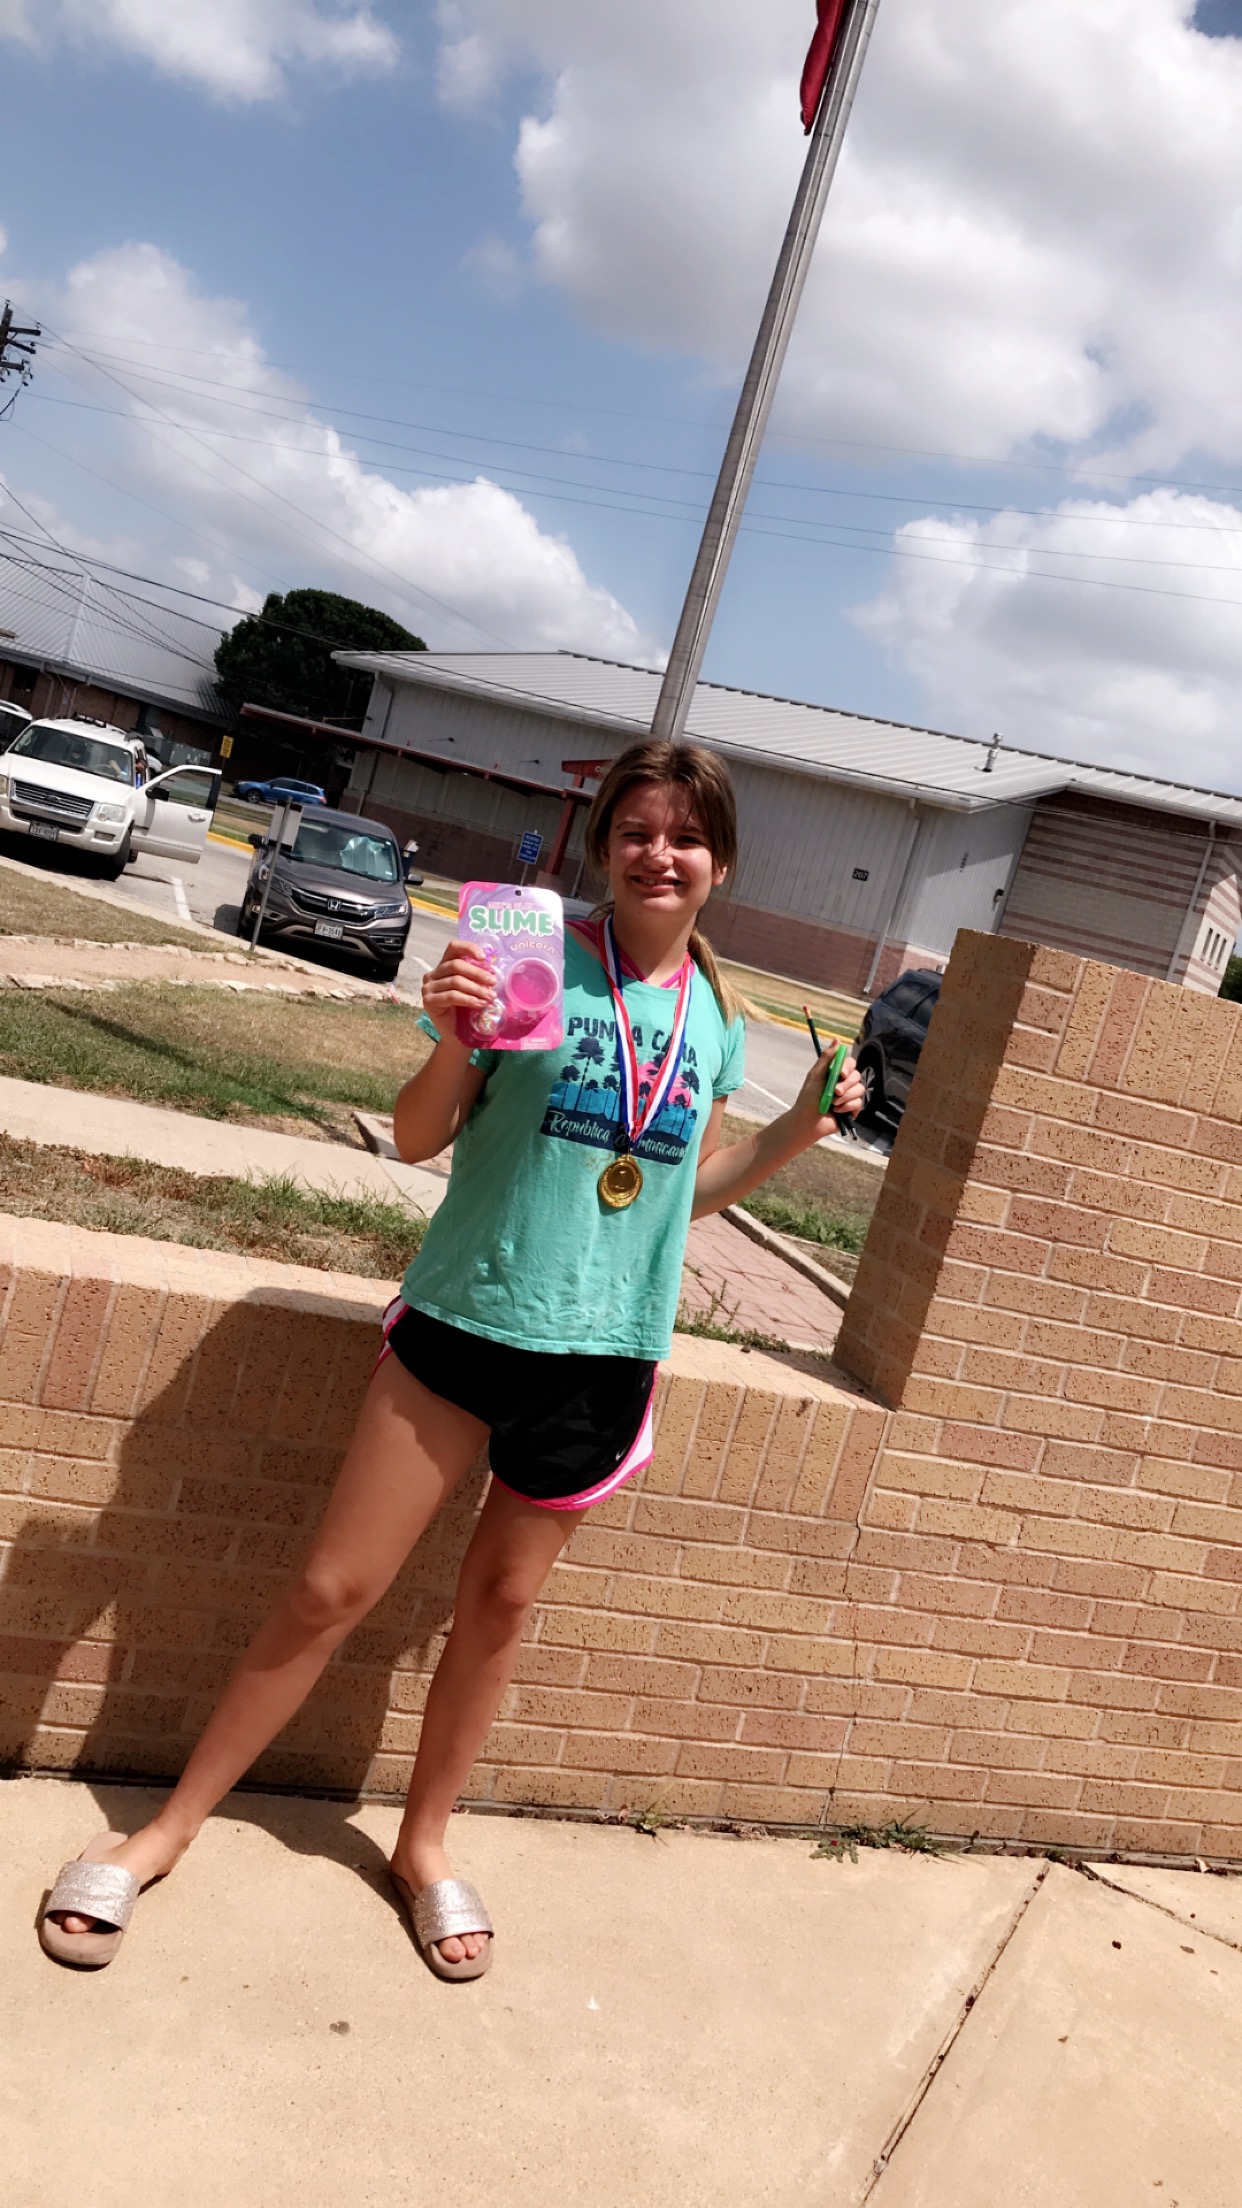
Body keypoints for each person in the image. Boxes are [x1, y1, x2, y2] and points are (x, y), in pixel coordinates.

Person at [38, 738, 864, 1981]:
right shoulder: (533, 964)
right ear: (607, 850)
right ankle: (164, 1829)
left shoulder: (720, 1022)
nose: (660, 853)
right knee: (331, 1589)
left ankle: (424, 1846)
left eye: (685, 836)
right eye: (637, 830)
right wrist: (445, 1035)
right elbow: (423, 1138)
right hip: (469, 1320)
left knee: (499, 1608)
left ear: (721, 863)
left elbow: (678, 1196)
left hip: (605, 1357)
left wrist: (797, 1132)